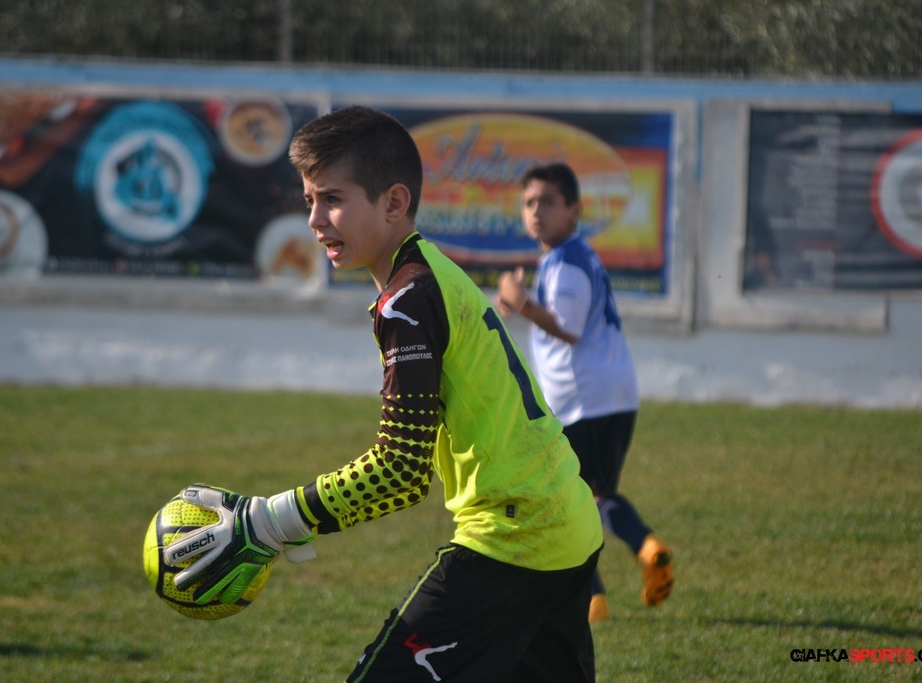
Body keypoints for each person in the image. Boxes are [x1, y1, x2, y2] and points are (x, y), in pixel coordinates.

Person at [162, 107, 604, 682]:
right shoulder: (426, 273)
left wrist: (268, 522)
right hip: (565, 520)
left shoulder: (407, 300)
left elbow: (400, 470)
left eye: (333, 199)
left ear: (394, 203)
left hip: (517, 538)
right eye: (309, 200)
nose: (315, 220)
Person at [495, 163, 673, 623]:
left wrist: (521, 302)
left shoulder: (567, 261)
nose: (537, 211)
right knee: (596, 494)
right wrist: (520, 302)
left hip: (583, 401)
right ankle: (647, 547)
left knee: (560, 501)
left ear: (574, 210)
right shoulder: (573, 256)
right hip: (612, 395)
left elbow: (568, 328)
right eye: (529, 202)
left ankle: (592, 598)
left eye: (549, 202)